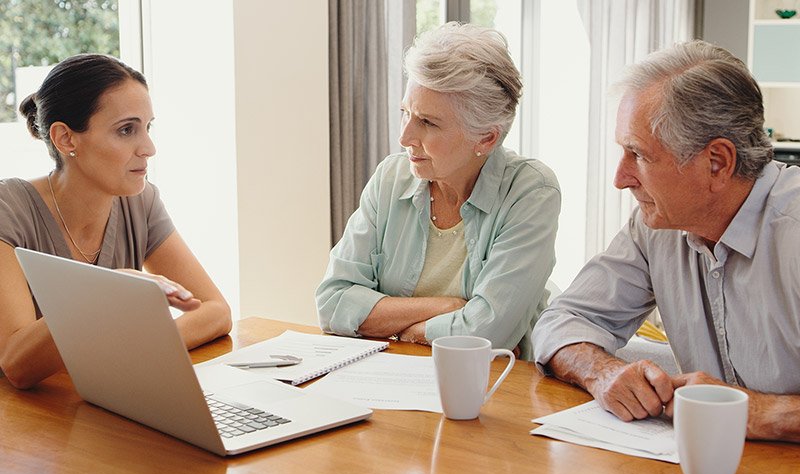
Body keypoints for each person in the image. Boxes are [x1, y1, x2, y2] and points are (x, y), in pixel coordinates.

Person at [533, 40, 800, 442]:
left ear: (717, 162)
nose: (620, 178)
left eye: (637, 154)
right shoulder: (656, 226)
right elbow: (562, 322)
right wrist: (603, 373)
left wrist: (758, 412)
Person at [316, 23, 561, 360]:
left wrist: (407, 330)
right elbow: (332, 302)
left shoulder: (531, 192)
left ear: (486, 138)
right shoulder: (391, 177)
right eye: (405, 113)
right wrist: (448, 307)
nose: (404, 137)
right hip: (388, 381)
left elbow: (486, 332)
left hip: (493, 389)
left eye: (428, 122)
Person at [0, 54, 232, 389]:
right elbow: (17, 364)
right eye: (126, 130)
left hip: (100, 401)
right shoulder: (10, 208)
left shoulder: (141, 201)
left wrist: (139, 349)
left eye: (147, 127)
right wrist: (110, 290)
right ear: (66, 139)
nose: (149, 147)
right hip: (24, 422)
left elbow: (216, 310)